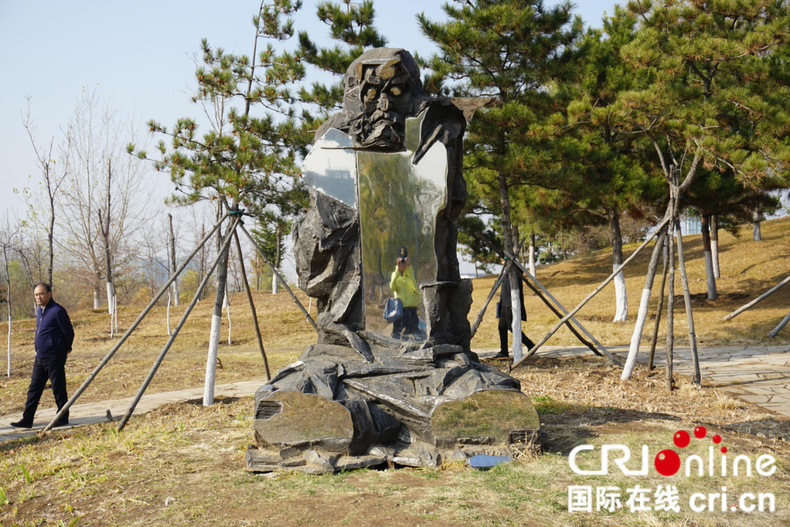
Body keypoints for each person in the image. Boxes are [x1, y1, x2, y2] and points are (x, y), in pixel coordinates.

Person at [11, 283, 74, 428]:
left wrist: (65, 348)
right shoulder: (40, 311)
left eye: (41, 294)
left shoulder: (57, 310)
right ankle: (27, 420)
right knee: (34, 389)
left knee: (58, 388)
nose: (38, 297)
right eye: (36, 295)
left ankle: (62, 418)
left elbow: (68, 332)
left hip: (54, 357)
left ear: (49, 294)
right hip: (40, 357)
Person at [495, 265, 535, 358]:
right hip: (503, 302)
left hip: (510, 303)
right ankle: (503, 351)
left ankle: (530, 345)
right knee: (501, 327)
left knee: (511, 327)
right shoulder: (506, 271)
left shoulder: (515, 271)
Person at [389, 247, 422, 339]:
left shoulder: (411, 273)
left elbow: (416, 288)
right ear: (397, 261)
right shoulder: (394, 274)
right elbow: (392, 287)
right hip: (400, 308)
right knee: (397, 332)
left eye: (404, 260)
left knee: (414, 330)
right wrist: (397, 271)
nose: (403, 263)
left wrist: (409, 268)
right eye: (401, 260)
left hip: (411, 308)